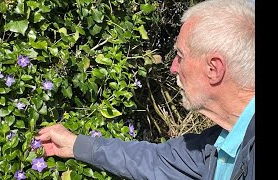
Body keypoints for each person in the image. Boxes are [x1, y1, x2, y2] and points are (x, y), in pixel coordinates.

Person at [36, 0, 255, 179]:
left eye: (180, 56)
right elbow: (156, 160)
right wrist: (76, 144)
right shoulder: (217, 144)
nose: (173, 68)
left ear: (213, 69)